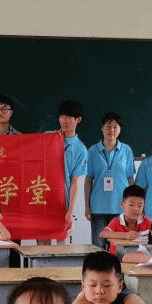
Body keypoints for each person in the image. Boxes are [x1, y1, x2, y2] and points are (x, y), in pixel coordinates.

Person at [84, 112, 135, 247]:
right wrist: (87, 206)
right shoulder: (92, 151)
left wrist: (134, 203)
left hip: (120, 207)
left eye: (115, 127)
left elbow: (130, 178)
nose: (111, 130)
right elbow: (88, 180)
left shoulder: (126, 150)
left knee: (117, 248)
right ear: (102, 128)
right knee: (98, 247)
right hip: (98, 208)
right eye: (108, 126)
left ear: (120, 130)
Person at [71, 250, 150, 304]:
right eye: (93, 285)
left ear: (119, 287)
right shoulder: (85, 294)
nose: (99, 291)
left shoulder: (124, 295)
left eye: (107, 285)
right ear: (83, 286)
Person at [56, 99, 87, 242]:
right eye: (62, 116)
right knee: (42, 240)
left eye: (68, 117)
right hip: (43, 195)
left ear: (78, 119)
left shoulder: (80, 149)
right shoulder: (49, 138)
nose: (64, 120)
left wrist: (71, 210)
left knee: (61, 239)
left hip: (63, 201)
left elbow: (75, 182)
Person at [99, 184, 151, 256]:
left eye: (140, 206)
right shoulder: (117, 221)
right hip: (117, 256)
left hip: (138, 257)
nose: (136, 209)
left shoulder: (146, 221)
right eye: (131, 205)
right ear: (122, 204)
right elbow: (103, 234)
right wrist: (126, 235)